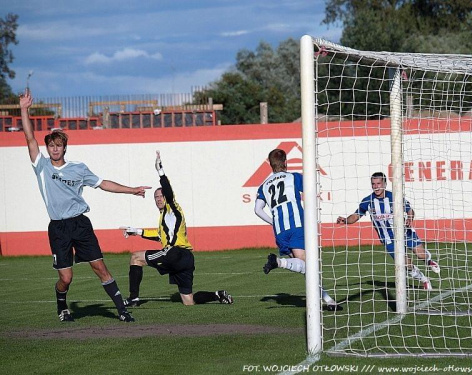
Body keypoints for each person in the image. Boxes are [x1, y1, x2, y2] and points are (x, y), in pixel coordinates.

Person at [19, 89, 151, 322]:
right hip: (58, 228)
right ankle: (62, 306)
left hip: (80, 224)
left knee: (100, 267)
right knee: (66, 279)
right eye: (51, 146)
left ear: (64, 148)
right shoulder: (41, 166)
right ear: (47, 148)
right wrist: (24, 109)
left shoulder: (78, 168)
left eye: (59, 145)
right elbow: (30, 138)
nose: (55, 149)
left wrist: (131, 190)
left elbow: (103, 184)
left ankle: (122, 310)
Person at [121, 151, 233, 306]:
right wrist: (137, 231)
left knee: (135, 257)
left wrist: (161, 172)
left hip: (175, 253)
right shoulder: (165, 218)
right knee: (189, 301)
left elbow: (168, 191)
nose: (159, 199)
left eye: (161, 196)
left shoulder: (172, 208)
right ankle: (217, 295)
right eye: (156, 197)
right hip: (186, 258)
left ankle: (133, 298)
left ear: (167, 198)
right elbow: (158, 235)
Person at [254, 149, 342, 311]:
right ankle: (278, 262)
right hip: (296, 225)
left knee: (304, 267)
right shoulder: (293, 177)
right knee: (308, 265)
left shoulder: (264, 185)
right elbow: (311, 190)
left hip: (280, 230)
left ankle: (328, 300)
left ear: (270, 164)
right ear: (285, 162)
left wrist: (273, 222)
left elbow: (258, 210)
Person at [336, 172, 440, 290]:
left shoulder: (394, 196)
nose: (376, 186)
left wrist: (410, 219)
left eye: (378, 183)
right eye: (373, 184)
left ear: (385, 184)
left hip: (405, 232)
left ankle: (428, 260)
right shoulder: (368, 201)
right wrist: (345, 220)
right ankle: (424, 279)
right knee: (406, 264)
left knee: (421, 255)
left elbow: (410, 210)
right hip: (388, 239)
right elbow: (355, 216)